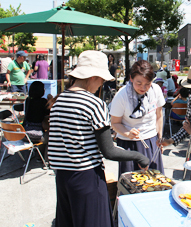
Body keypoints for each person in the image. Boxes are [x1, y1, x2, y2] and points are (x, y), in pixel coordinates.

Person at [47, 51, 149, 227]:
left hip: (62, 177)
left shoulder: (59, 100)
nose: (102, 83)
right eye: (102, 78)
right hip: (86, 177)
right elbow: (108, 151)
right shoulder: (94, 103)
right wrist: (138, 156)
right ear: (93, 76)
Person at [110, 60, 165, 177]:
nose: (143, 88)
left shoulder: (155, 90)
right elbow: (115, 123)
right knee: (131, 181)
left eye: (147, 84)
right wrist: (127, 132)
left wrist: (160, 138)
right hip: (129, 144)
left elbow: (159, 116)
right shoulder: (122, 95)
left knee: (154, 179)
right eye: (139, 83)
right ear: (131, 78)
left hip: (151, 140)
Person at [23, 81, 50, 162]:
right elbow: (48, 114)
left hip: (24, 134)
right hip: (37, 135)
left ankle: (36, 154)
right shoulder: (43, 102)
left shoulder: (28, 100)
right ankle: (44, 159)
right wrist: (50, 99)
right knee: (51, 135)